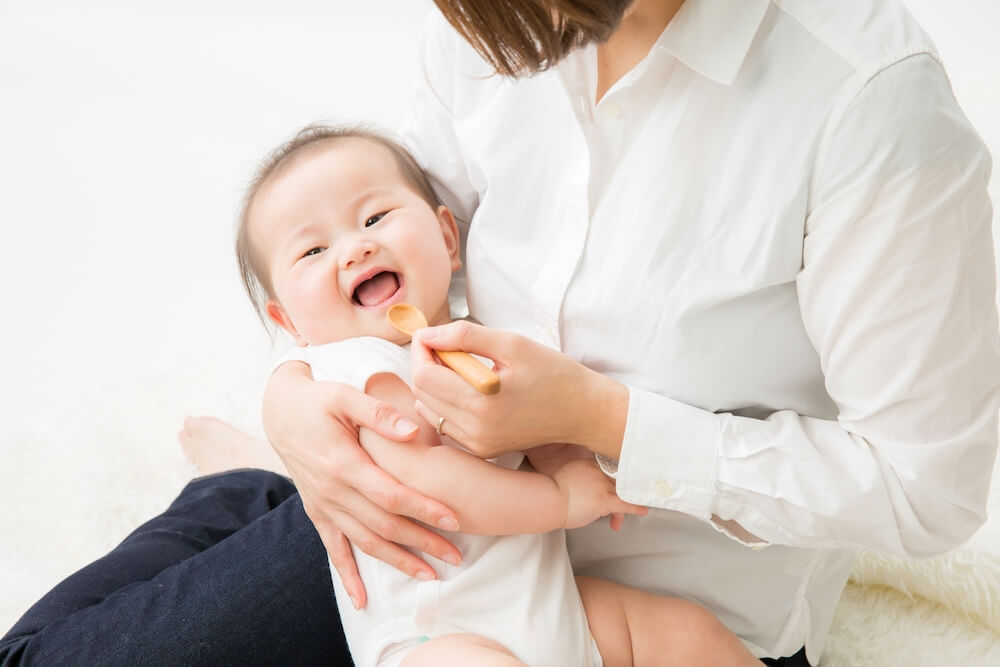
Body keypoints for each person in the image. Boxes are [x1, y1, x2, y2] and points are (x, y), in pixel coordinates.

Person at [255, 1, 1000, 665]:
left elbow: (926, 488)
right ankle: (238, 480)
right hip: (439, 565)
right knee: (151, 632)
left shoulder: (867, 95)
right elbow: (396, 241)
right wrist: (289, 396)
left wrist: (604, 421)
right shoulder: (488, 22)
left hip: (662, 613)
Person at [232, 123, 760, 666]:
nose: (355, 248)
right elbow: (436, 486)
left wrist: (570, 451)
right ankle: (236, 473)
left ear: (446, 238)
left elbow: (534, 424)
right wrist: (563, 499)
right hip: (438, 635)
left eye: (375, 218)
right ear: (286, 319)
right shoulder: (355, 366)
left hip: (554, 609)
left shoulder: (482, 344)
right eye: (314, 249)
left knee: (684, 634)